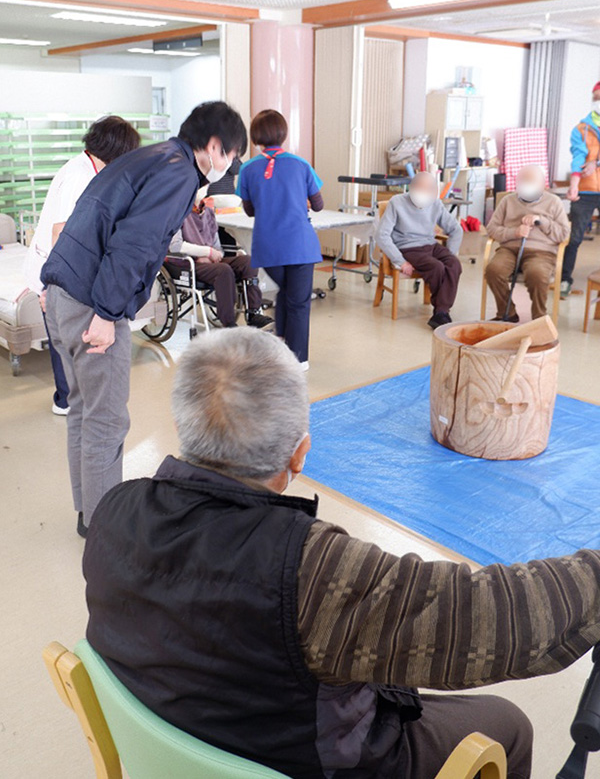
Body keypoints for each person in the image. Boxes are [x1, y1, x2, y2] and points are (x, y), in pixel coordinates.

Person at [83, 328, 600, 779]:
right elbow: (496, 617)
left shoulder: (113, 509)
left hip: (188, 734)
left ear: (187, 426)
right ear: (300, 452)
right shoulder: (314, 570)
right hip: (306, 760)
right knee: (507, 725)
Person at [41, 101, 247, 538]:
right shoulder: (176, 172)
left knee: (83, 410)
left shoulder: (154, 158)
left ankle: (88, 513)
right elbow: (134, 245)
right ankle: (103, 530)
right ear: (213, 146)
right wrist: (106, 314)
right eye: (231, 155)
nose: (230, 165)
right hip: (91, 301)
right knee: (107, 420)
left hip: (62, 290)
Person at [23, 116, 141, 414]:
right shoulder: (80, 177)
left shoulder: (87, 167)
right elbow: (60, 232)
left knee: (66, 341)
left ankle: (68, 398)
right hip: (54, 271)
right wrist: (52, 284)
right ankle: (66, 400)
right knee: (65, 343)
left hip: (56, 270)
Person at [237, 109, 323, 369]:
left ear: (256, 137)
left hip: (269, 247)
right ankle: (298, 359)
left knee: (286, 293)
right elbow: (318, 205)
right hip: (300, 245)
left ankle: (282, 342)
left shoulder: (248, 169)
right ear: (283, 134)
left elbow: (250, 210)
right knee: (298, 301)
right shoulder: (301, 164)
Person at [169, 194, 272, 328]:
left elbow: (217, 247)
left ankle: (253, 313)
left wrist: (213, 254)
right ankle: (228, 323)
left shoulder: (209, 213)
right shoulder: (178, 211)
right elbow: (175, 245)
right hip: (188, 263)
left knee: (248, 262)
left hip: (210, 261)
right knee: (223, 270)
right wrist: (206, 252)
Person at [376, 171, 463, 329]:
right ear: (411, 187)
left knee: (453, 264)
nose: (422, 192)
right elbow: (381, 234)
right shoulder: (397, 202)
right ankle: (442, 312)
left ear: (434, 191)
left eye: (427, 189)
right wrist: (400, 261)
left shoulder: (436, 204)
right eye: (418, 188)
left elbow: (456, 230)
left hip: (430, 244)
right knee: (436, 267)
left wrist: (450, 253)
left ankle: (440, 312)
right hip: (408, 247)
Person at [485, 164, 569, 322]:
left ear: (542, 185)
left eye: (531, 182)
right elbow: (492, 229)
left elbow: (563, 234)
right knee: (493, 270)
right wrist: (514, 232)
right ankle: (507, 312)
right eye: (522, 181)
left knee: (536, 274)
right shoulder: (507, 201)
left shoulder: (554, 202)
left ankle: (539, 319)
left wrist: (541, 221)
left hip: (541, 252)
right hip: (510, 249)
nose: (526, 185)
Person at [561, 81, 600, 298]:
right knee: (574, 238)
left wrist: (596, 163)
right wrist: (574, 185)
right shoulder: (581, 128)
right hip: (585, 191)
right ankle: (565, 279)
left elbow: (591, 161)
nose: (598, 101)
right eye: (595, 97)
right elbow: (578, 156)